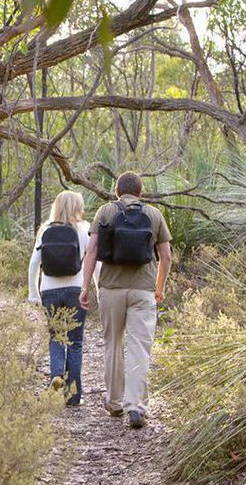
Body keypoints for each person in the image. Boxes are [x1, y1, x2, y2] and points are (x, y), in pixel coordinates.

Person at [79, 172, 172, 429]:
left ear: (117, 191)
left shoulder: (106, 212)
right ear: (140, 192)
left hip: (110, 288)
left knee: (113, 344)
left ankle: (115, 402)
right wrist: (159, 287)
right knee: (139, 347)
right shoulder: (153, 214)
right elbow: (166, 256)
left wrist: (85, 286)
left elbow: (92, 251)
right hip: (143, 290)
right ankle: (136, 406)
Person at [28, 191, 90, 406]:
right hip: (76, 289)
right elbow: (94, 263)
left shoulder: (45, 229)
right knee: (75, 341)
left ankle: (56, 374)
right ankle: (73, 396)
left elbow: (34, 263)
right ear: (77, 207)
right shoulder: (84, 229)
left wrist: (33, 294)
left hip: (49, 290)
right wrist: (96, 291)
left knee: (55, 336)